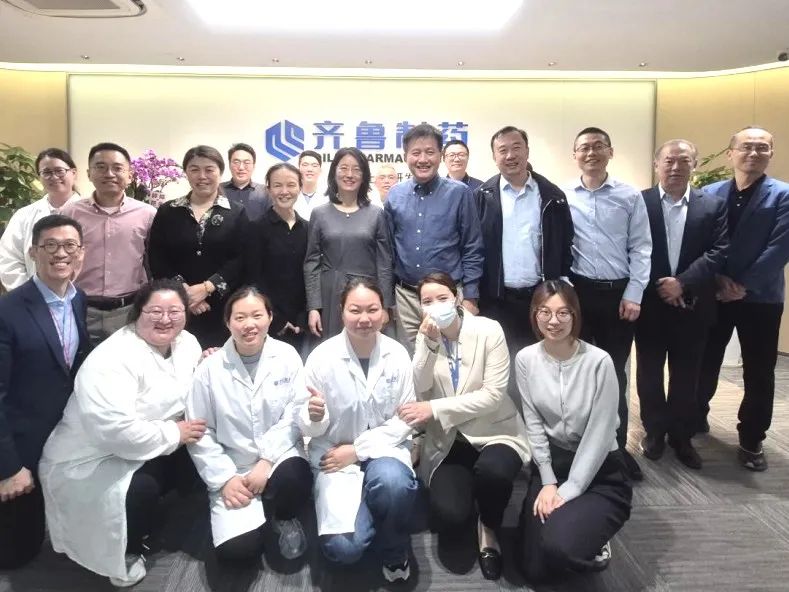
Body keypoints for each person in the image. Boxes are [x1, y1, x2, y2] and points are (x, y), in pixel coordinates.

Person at [39, 280, 206, 587]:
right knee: (142, 488)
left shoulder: (187, 343)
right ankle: (129, 546)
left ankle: (159, 511)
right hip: (91, 455)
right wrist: (175, 433)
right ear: (137, 312)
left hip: (153, 437)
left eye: (174, 311)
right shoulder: (112, 358)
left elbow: (190, 383)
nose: (165, 319)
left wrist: (210, 363)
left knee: (201, 452)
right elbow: (115, 430)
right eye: (155, 311)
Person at [405, 272, 529, 581]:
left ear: (457, 297)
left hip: (495, 430)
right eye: (427, 301)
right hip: (450, 439)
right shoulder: (425, 335)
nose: (435, 306)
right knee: (450, 515)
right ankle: (472, 492)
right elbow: (420, 387)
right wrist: (428, 344)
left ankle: (488, 526)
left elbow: (492, 395)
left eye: (442, 298)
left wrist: (435, 408)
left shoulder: (488, 330)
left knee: (495, 473)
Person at [300, 278, 418, 582]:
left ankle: (394, 547)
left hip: (383, 452)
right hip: (334, 456)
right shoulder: (321, 358)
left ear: (384, 312)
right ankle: (381, 512)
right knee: (343, 550)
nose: (364, 318)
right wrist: (314, 415)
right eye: (355, 310)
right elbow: (307, 424)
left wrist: (358, 450)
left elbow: (405, 419)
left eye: (372, 309)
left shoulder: (397, 354)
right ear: (341, 311)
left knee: (393, 483)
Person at [515, 280, 631, 582]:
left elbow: (600, 434)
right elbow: (533, 422)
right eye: (545, 312)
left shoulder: (599, 361)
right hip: (555, 465)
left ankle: (596, 535)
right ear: (535, 314)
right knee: (534, 569)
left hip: (600, 469)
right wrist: (548, 481)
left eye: (563, 313)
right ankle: (577, 527)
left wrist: (568, 490)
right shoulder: (526, 359)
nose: (553, 321)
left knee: (560, 547)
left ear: (575, 315)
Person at [187, 287, 313, 563]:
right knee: (239, 554)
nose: (249, 324)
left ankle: (283, 516)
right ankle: (253, 503)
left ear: (270, 317)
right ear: (227, 322)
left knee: (295, 478)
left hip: (278, 457)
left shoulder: (287, 355)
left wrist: (267, 460)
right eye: (240, 317)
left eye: (257, 315)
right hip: (233, 465)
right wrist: (225, 478)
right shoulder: (209, 369)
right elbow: (200, 432)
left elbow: (294, 413)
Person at [697, 126, 789, 471]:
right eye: (746, 147)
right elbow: (701, 242)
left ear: (771, 154)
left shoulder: (784, 195)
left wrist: (743, 285)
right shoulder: (710, 192)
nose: (754, 153)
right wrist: (717, 280)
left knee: (759, 371)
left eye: (762, 148)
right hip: (715, 294)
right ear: (730, 154)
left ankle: (752, 439)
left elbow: (779, 248)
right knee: (704, 361)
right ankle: (695, 416)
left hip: (761, 298)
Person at [0, 214, 90, 569]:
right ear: (33, 252)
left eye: (69, 245)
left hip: (59, 432)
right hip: (20, 445)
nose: (60, 253)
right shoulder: (8, 311)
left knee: (51, 536)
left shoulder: (78, 299)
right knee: (16, 554)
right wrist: (8, 467)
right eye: (50, 245)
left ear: (81, 252)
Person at [564, 126, 652, 481]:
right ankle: (581, 447)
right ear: (575, 155)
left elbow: (641, 247)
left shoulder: (629, 196)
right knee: (578, 373)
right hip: (579, 295)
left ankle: (617, 448)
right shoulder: (563, 196)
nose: (591, 153)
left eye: (598, 146)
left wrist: (634, 293)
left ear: (610, 152)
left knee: (614, 374)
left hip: (618, 297)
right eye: (584, 147)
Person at [636, 140, 728, 470]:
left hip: (693, 305)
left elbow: (719, 251)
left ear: (695, 164)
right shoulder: (640, 202)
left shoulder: (713, 205)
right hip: (650, 303)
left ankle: (681, 436)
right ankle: (654, 431)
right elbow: (632, 248)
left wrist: (682, 283)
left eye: (683, 161)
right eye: (669, 161)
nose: (676, 167)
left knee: (687, 375)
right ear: (656, 164)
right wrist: (662, 284)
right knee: (649, 373)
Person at [476, 126, 574, 359]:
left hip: (540, 298)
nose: (510, 155)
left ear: (527, 151)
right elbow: (473, 247)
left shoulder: (552, 196)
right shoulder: (482, 196)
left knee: (539, 361)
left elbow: (565, 244)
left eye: (516, 147)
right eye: (503, 150)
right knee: (498, 362)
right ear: (494, 157)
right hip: (496, 298)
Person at [385, 123, 484, 348]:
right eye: (416, 153)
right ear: (405, 156)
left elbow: (472, 247)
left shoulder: (459, 193)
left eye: (430, 152)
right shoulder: (395, 195)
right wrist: (388, 299)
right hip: (406, 298)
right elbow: (388, 250)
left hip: (446, 296)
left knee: (452, 356)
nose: (423, 159)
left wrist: (470, 296)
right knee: (413, 359)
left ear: (440, 155)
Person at [147, 145, 249, 349]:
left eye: (209, 169)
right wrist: (185, 293)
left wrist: (206, 288)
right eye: (194, 169)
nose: (202, 176)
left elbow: (241, 258)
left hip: (222, 307)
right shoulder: (168, 211)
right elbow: (157, 257)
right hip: (175, 307)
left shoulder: (236, 213)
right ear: (186, 173)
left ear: (220, 172)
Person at [60, 142, 156, 344]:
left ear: (130, 175)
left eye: (117, 168)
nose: (109, 174)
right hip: (81, 308)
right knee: (78, 360)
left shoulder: (147, 214)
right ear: (89, 174)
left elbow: (154, 261)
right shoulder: (70, 213)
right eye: (101, 167)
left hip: (129, 310)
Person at [305, 147, 393, 340]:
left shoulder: (376, 214)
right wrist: (314, 307)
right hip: (330, 295)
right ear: (334, 172)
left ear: (364, 176)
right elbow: (312, 263)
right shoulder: (319, 213)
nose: (350, 174)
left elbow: (384, 263)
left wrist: (385, 305)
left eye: (356, 169)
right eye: (344, 168)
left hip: (367, 295)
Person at [0, 148, 81, 291]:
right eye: (46, 172)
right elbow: (8, 258)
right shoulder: (23, 215)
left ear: (73, 173)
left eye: (59, 171)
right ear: (39, 177)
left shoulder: (92, 213)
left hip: (84, 298)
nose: (54, 177)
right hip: (33, 297)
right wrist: (30, 293)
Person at [251, 163, 309, 353]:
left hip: (304, 323)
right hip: (269, 322)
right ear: (268, 189)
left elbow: (312, 275)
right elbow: (253, 279)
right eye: (277, 185)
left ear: (300, 187)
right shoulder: (256, 228)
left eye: (291, 185)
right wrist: (276, 319)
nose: (284, 191)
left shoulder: (308, 228)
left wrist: (304, 316)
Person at [221, 143, 271, 221]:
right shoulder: (218, 190)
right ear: (229, 165)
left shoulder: (265, 192)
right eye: (236, 162)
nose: (241, 167)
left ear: (253, 166)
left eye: (247, 163)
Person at [294, 150, 327, 220]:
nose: (309, 169)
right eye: (305, 165)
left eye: (314, 166)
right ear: (298, 169)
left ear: (320, 170)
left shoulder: (329, 197)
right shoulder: (291, 194)